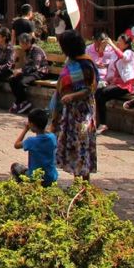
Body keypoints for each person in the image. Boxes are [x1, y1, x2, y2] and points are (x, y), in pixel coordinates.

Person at [49, 31, 99, 180]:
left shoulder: (85, 64)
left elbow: (88, 89)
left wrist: (72, 96)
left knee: (82, 145)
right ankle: (77, 183)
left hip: (82, 112)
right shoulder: (71, 62)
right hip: (70, 111)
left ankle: (84, 185)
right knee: (74, 147)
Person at [94, 32, 134, 134]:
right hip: (114, 84)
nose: (118, 42)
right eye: (117, 40)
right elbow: (101, 55)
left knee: (102, 92)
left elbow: (123, 57)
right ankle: (101, 123)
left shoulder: (130, 53)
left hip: (125, 85)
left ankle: (102, 123)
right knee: (99, 94)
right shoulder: (114, 53)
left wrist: (112, 44)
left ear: (126, 44)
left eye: (120, 41)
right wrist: (102, 47)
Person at [12, 108, 58, 186]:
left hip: (35, 178)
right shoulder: (52, 137)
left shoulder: (31, 141)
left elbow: (16, 145)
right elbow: (48, 132)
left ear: (32, 124)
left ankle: (24, 186)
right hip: (51, 177)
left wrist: (25, 129)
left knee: (15, 167)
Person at [10, 32, 48, 114]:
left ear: (26, 43)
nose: (20, 45)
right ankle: (22, 102)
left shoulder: (36, 50)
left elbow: (35, 67)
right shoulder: (27, 50)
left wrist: (21, 71)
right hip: (29, 72)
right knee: (12, 79)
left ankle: (21, 102)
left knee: (22, 82)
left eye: (21, 43)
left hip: (40, 72)